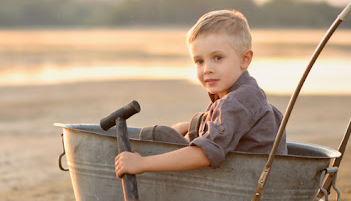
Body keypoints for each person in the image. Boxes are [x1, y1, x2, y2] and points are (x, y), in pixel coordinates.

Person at [114, 9, 287, 178]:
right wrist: (192, 125)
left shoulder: (235, 102)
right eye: (199, 61)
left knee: (156, 136)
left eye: (218, 58)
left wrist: (142, 164)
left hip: (244, 189)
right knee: (182, 132)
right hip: (250, 180)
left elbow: (205, 153)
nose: (207, 69)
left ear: (245, 59)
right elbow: (225, 123)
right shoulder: (248, 93)